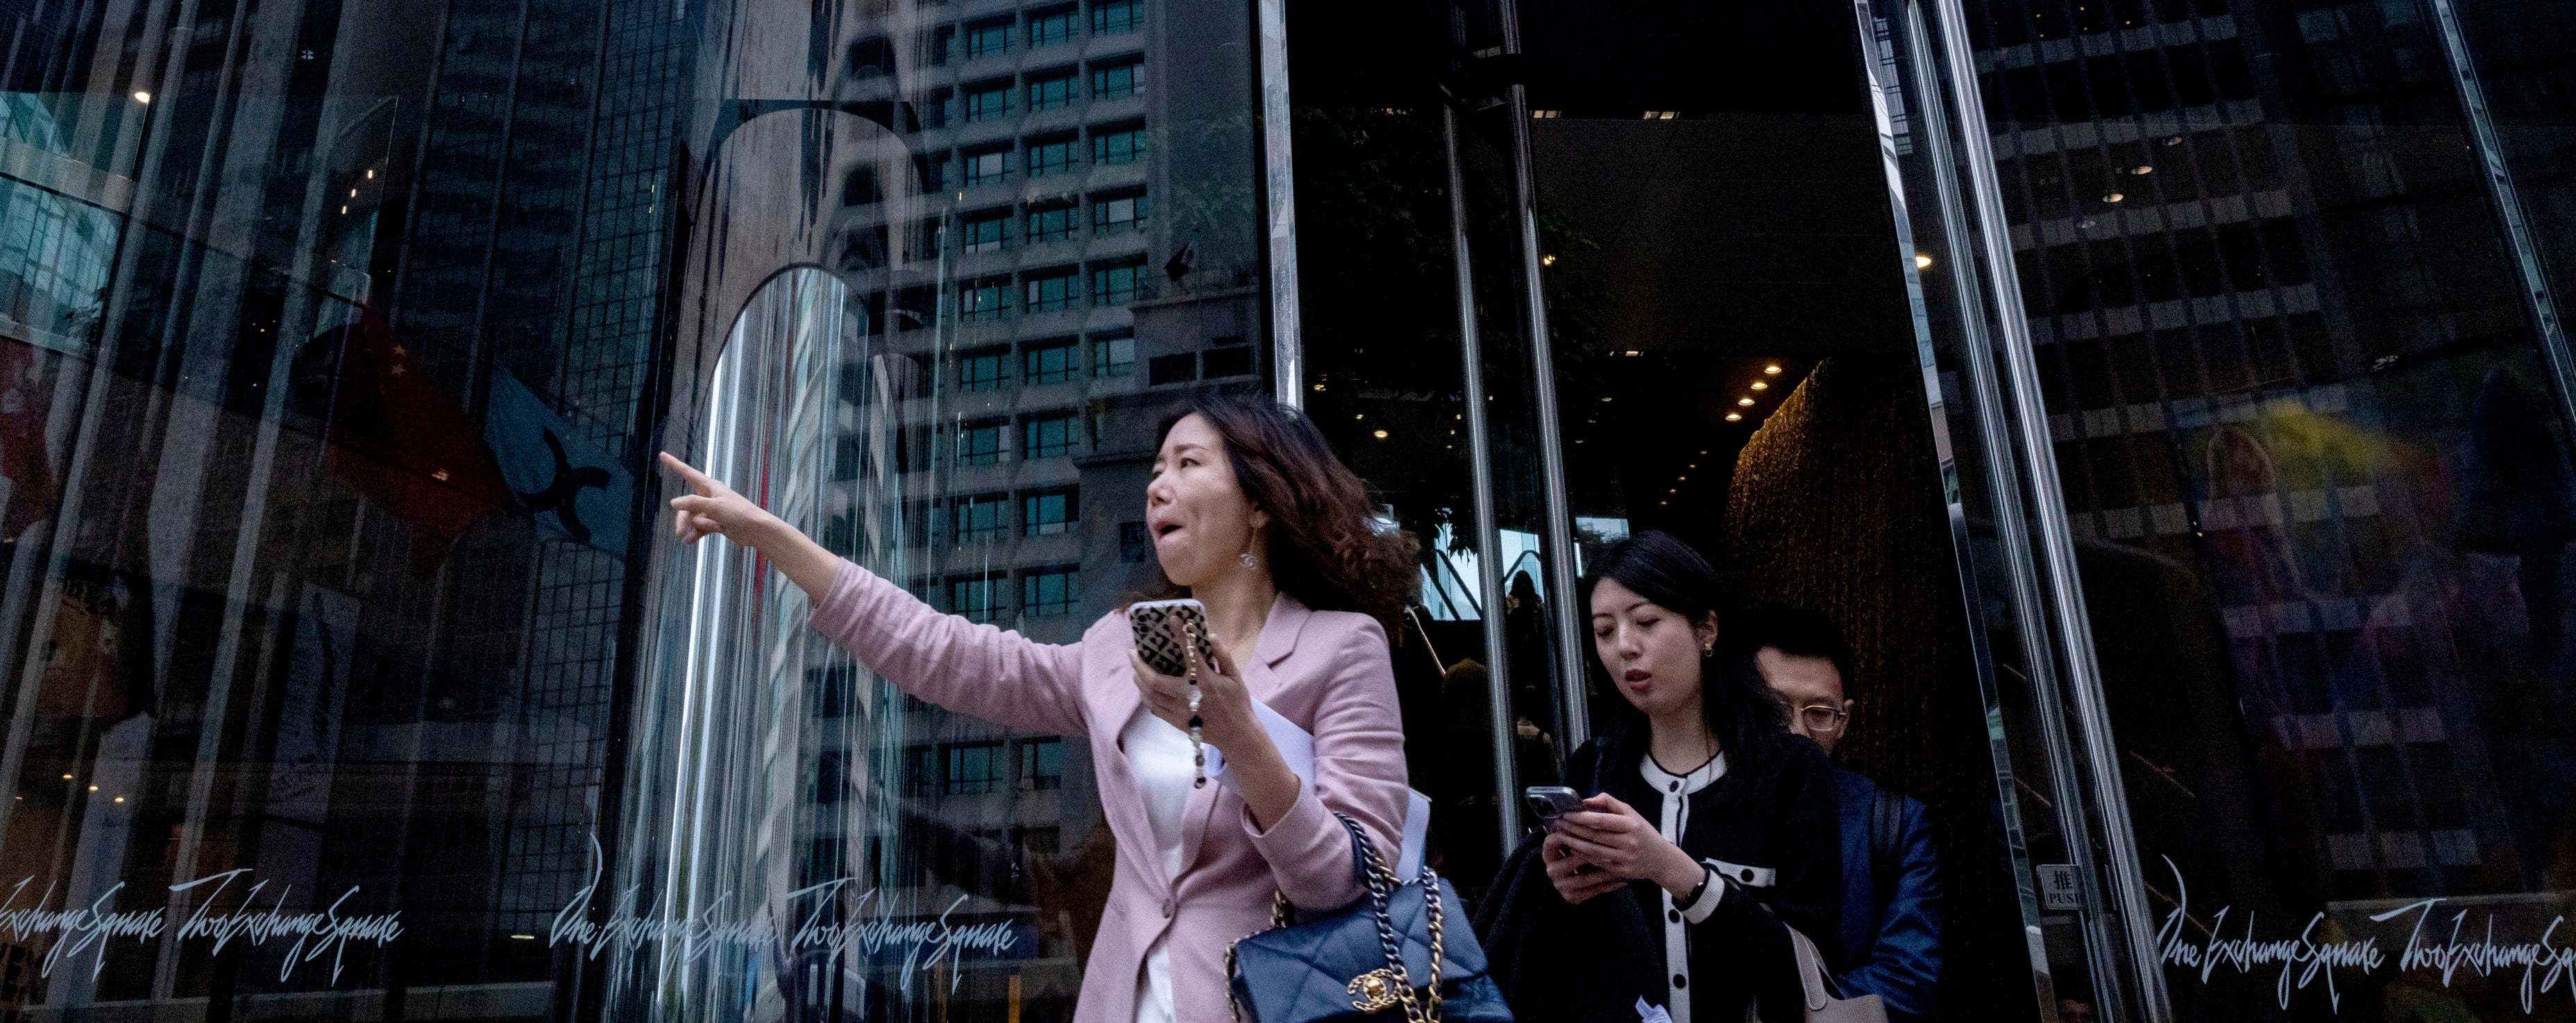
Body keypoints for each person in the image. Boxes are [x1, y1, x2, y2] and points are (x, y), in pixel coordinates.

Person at [657, 389, 1414, 1023]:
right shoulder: (1118, 649)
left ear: (1260, 502)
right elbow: (949, 654)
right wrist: (775, 538)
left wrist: (1239, 735)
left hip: (1268, 1004)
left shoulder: (1341, 648)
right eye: (1155, 470)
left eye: (1188, 465)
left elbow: (1349, 880)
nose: (1157, 486)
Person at [1475, 532, 1841, 1023]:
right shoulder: (1594, 767)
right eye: (1605, 631)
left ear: (1706, 629)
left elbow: (1812, 968)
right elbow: (1568, 971)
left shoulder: (1792, 771)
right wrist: (1559, 890)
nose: (1625, 647)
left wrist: (1674, 871)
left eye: (1646, 622)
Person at [1749, 604, 1943, 1022]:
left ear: (1843, 721)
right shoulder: (1692, 799)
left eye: (1819, 714)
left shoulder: (1896, 823)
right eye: (1775, 709)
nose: (1796, 732)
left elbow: (1909, 980)